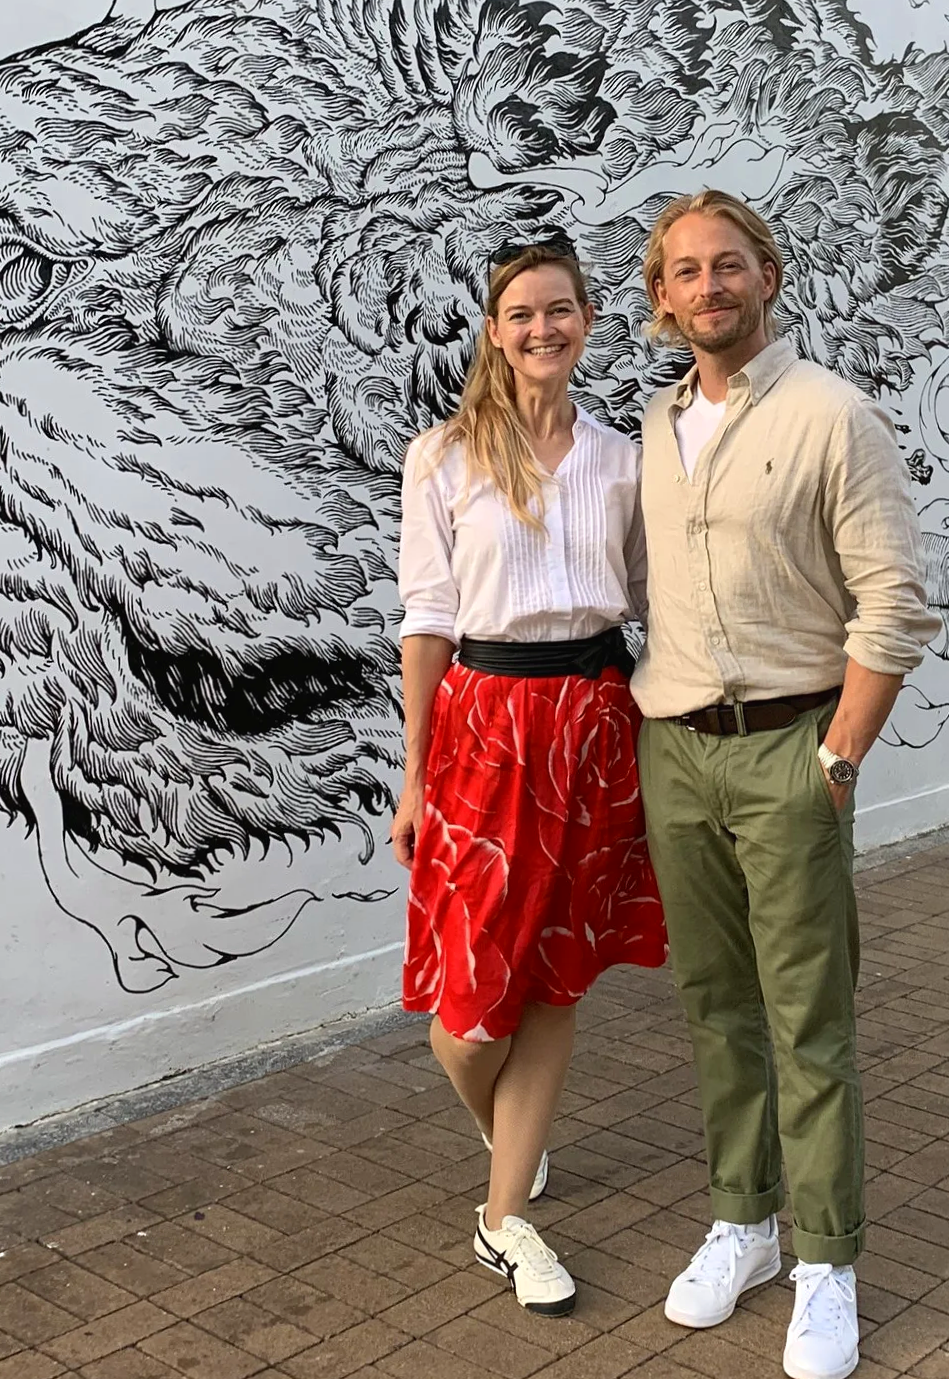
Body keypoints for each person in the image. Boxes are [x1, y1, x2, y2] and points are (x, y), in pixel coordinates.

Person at [631, 190, 937, 1379]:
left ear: (767, 274)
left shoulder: (831, 415)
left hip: (790, 748)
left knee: (807, 1016)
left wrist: (838, 757)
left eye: (728, 264)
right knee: (715, 1004)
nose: (708, 285)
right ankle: (744, 1220)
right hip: (676, 746)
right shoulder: (655, 425)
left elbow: (892, 599)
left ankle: (825, 1257)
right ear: (661, 298)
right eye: (685, 270)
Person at [393, 234, 669, 1317]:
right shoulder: (443, 456)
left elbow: (651, 599)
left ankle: (503, 1217)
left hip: (594, 720)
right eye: (521, 313)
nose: (542, 328)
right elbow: (427, 622)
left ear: (586, 320)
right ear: (494, 332)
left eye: (559, 309)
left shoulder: (621, 459)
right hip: (483, 728)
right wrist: (414, 776)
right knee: (469, 1017)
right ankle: (509, 1130)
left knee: (554, 972)